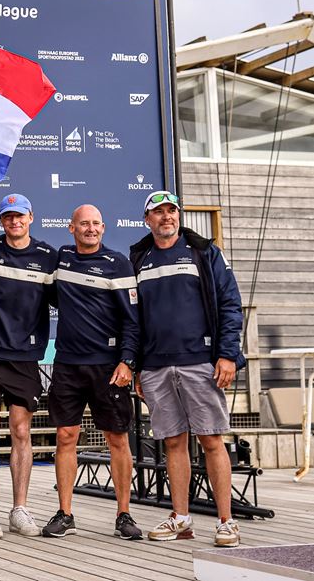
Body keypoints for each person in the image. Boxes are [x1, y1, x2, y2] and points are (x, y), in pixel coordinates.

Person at [131, 191, 245, 548]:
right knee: (174, 442)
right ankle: (181, 519)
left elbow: (230, 304)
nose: (166, 217)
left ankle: (226, 521)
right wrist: (135, 366)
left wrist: (227, 355)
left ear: (178, 216)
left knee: (211, 439)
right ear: (147, 219)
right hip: (156, 366)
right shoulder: (138, 257)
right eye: (158, 212)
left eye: (171, 211)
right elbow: (132, 320)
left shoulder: (204, 251)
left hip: (200, 362)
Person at [41, 204, 142, 540]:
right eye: (84, 223)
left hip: (108, 366)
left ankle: (124, 514)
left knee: (117, 439)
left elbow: (132, 319)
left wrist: (127, 361)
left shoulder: (119, 264)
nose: (91, 229)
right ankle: (65, 513)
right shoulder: (61, 258)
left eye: (96, 223)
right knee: (66, 436)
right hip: (68, 363)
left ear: (104, 227)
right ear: (71, 228)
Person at [0, 193, 57, 539]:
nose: (14, 222)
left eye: (19, 216)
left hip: (26, 356)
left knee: (21, 431)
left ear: (31, 217)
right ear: (1, 220)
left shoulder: (48, 256)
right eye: (8, 217)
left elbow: (64, 300)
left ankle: (19, 509)